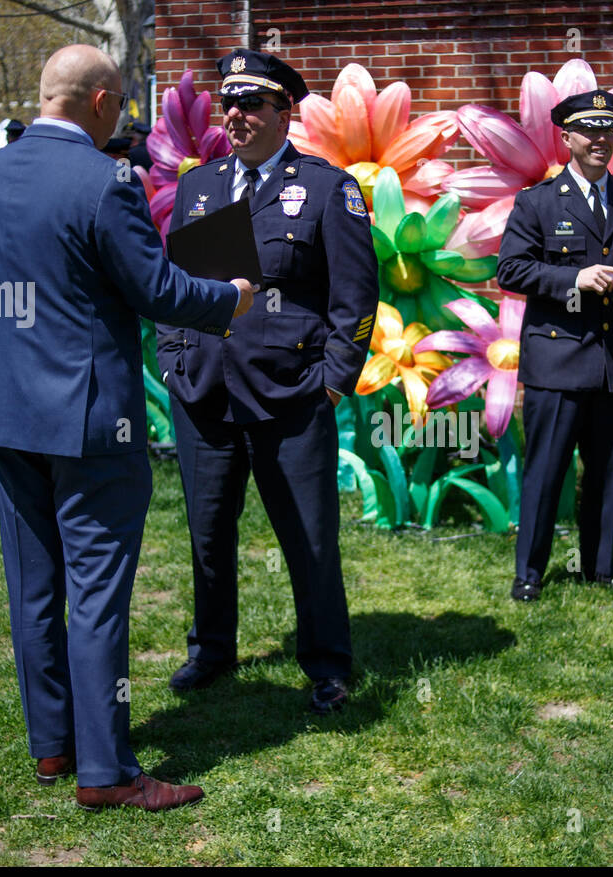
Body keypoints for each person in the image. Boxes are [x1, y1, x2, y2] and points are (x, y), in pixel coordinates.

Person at [0, 44, 255, 812]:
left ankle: (53, 748)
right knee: (96, 595)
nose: (122, 117)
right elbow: (155, 288)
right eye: (121, 104)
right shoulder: (106, 180)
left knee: (34, 589)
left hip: (9, 411)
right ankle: (110, 772)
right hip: (92, 421)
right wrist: (230, 297)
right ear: (99, 102)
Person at [157, 49, 378, 715]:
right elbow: (177, 288)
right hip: (205, 395)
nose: (237, 115)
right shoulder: (200, 188)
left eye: (253, 103)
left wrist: (333, 382)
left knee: (309, 538)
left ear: (287, 111)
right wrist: (174, 361)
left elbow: (356, 298)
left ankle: (327, 663)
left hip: (291, 397)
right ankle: (211, 649)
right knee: (207, 532)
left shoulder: (326, 187)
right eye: (231, 103)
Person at [497, 90, 613, 602]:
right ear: (567, 137)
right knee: (547, 470)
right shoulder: (538, 201)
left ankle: (598, 566)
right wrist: (576, 278)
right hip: (559, 358)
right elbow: (511, 268)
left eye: (608, 130)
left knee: (606, 469)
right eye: (589, 130)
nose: (601, 139)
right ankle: (529, 571)